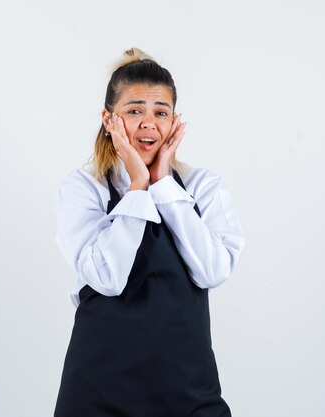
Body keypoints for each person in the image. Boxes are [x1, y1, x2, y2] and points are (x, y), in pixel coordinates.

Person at [53, 48, 245, 416]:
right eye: (134, 110)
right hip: (98, 390)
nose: (148, 124)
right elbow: (108, 278)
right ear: (109, 120)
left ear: (174, 122)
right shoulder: (83, 188)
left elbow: (213, 271)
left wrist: (162, 185)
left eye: (161, 112)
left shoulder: (202, 187)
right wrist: (138, 188)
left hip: (188, 391)